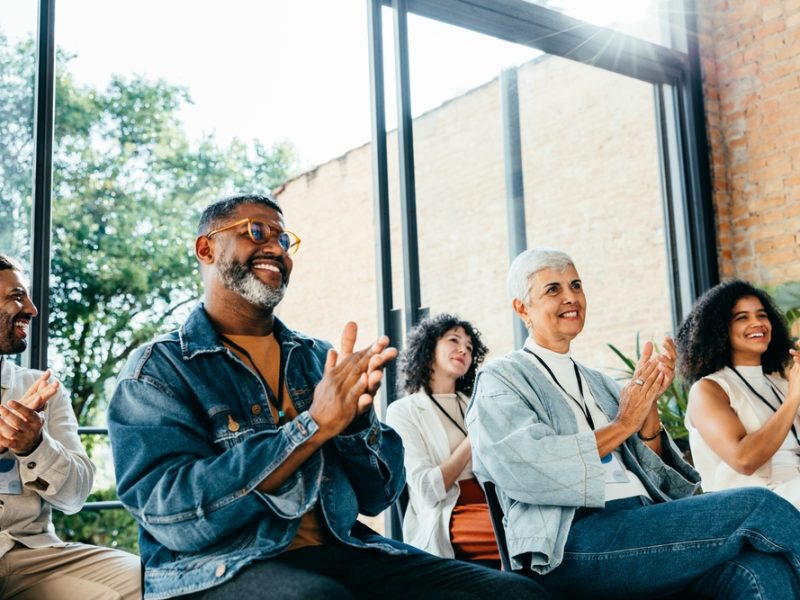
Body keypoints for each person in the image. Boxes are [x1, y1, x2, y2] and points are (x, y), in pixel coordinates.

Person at [108, 194, 546, 600]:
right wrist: (313, 426)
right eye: (255, 232)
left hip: (344, 548)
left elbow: (380, 495)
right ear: (206, 250)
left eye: (283, 239)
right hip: (213, 568)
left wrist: (356, 425)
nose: (277, 249)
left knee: (517, 594)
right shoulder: (159, 370)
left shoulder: (318, 358)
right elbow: (173, 512)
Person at [467, 246, 800, 599]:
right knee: (758, 504)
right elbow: (527, 467)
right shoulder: (500, 379)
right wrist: (624, 422)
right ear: (522, 308)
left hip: (643, 525)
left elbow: (657, 474)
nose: (571, 298)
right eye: (554, 290)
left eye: (576, 286)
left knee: (760, 570)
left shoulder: (600, 382)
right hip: (571, 541)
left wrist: (649, 405)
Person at [0, 253, 140, 599]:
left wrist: (35, 446)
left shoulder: (42, 386)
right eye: (17, 296)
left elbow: (76, 495)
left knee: (152, 583)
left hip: (32, 556)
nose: (31, 309)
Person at [386, 314, 498, 565]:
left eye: (470, 347)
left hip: (495, 503)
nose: (463, 350)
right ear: (429, 348)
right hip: (451, 513)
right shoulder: (404, 411)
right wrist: (473, 438)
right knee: (526, 535)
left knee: (546, 525)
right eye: (454, 340)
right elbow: (426, 490)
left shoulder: (475, 404)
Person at [676, 279, 800, 506]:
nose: (757, 323)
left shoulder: (781, 384)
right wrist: (793, 398)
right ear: (719, 328)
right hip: (755, 507)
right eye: (742, 317)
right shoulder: (708, 390)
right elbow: (744, 460)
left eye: (762, 315)